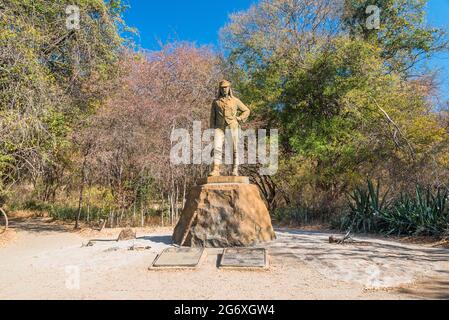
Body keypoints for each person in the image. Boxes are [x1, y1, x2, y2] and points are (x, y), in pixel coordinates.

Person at [209, 80, 250, 177]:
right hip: (219, 127)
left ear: (229, 88)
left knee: (234, 148)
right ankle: (215, 169)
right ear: (220, 89)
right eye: (222, 88)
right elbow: (212, 118)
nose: (224, 89)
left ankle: (235, 169)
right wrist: (211, 131)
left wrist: (239, 118)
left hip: (232, 126)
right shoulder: (216, 102)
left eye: (226, 87)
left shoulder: (235, 101)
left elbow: (246, 110)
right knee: (217, 147)